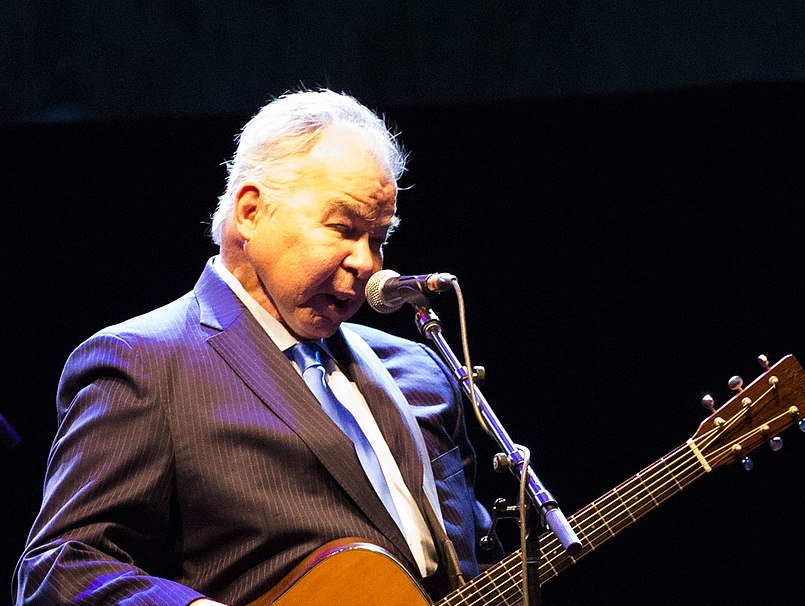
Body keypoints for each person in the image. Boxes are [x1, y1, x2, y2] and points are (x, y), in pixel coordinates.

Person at [14, 90, 497, 605]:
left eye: (378, 238)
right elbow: (60, 567)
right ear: (250, 211)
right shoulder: (144, 363)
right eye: (342, 229)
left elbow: (469, 559)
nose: (368, 263)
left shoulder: (417, 369)